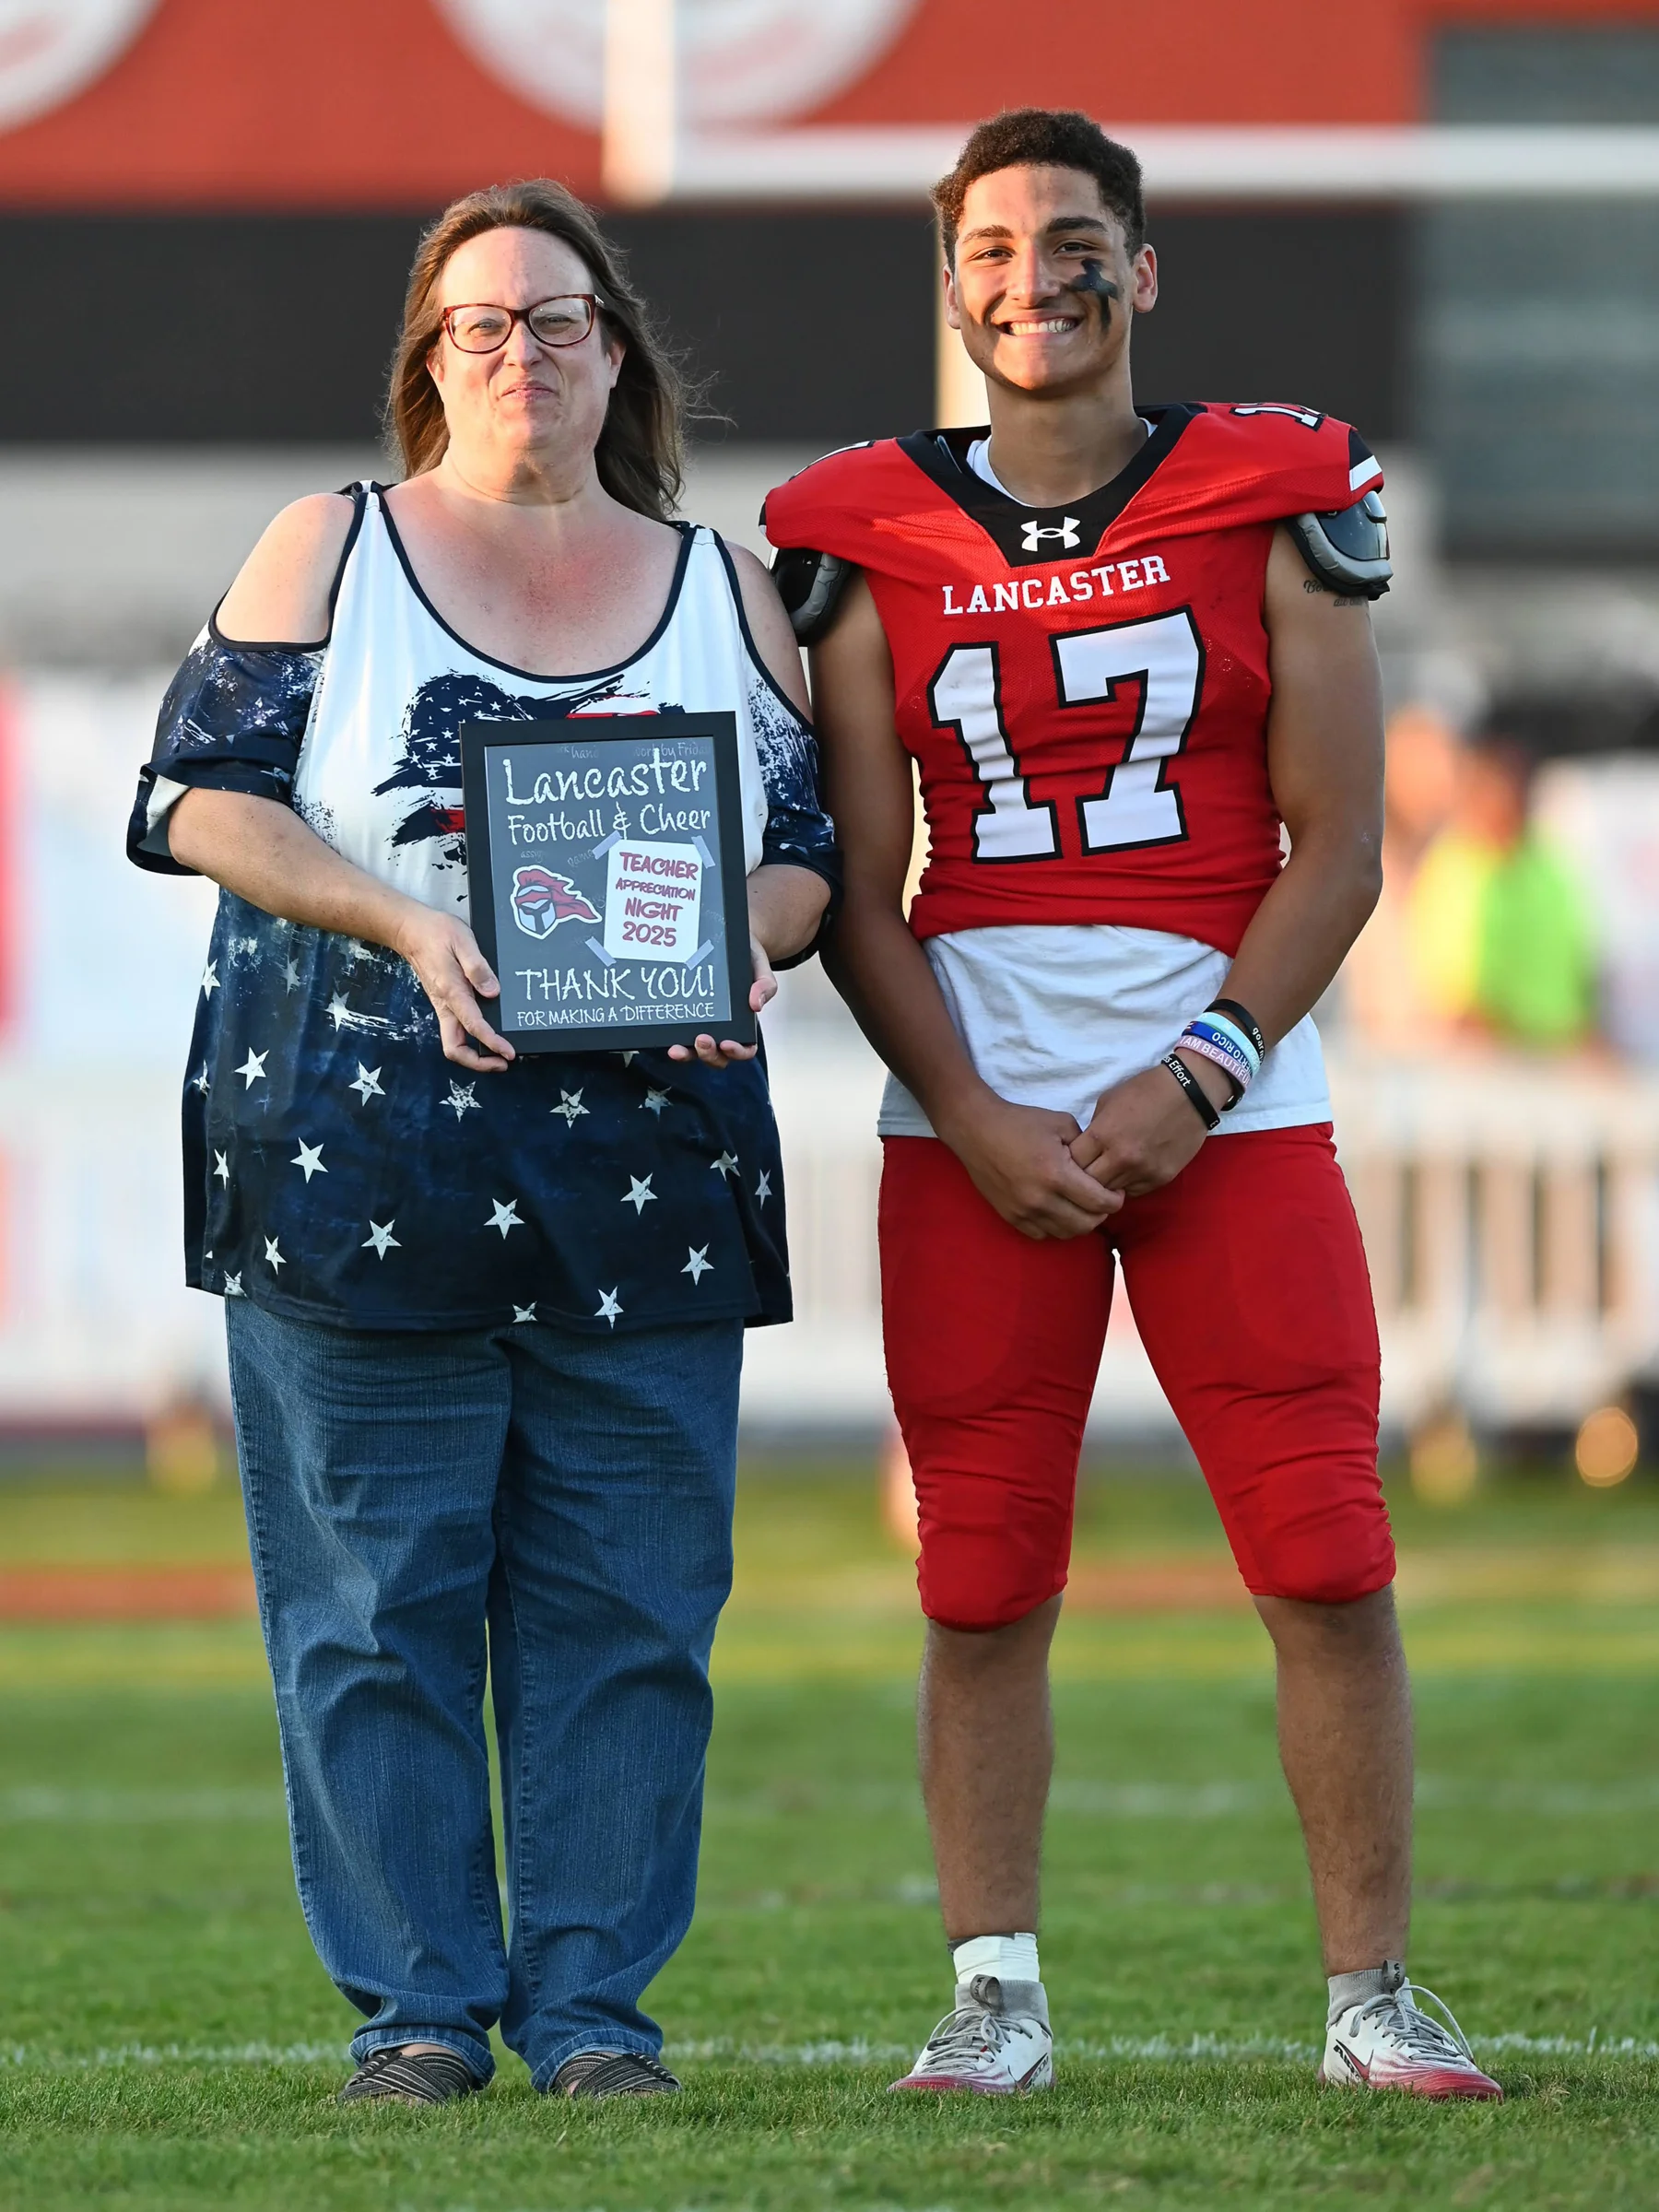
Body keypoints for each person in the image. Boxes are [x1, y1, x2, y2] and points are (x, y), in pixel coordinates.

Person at [766, 109, 1500, 2101]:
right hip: (972, 1121)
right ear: (954, 289)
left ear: (1142, 269)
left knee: (1328, 1554)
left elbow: (1339, 849)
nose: (1038, 274)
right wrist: (975, 1110)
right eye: (995, 247)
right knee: (982, 1571)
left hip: (1233, 1104)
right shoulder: (858, 524)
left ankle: (1370, 1994)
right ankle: (992, 1988)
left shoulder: (1275, 484)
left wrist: (1200, 1070)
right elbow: (857, 869)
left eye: (1076, 238)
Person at [125, 180, 837, 2104]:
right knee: (375, 1620)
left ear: (620, 351)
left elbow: (806, 862)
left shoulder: (725, 586)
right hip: (361, 1180)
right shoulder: (327, 554)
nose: (523, 351)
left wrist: (737, 951)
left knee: (629, 1629)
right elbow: (196, 798)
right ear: (427, 366)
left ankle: (597, 2018)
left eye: (558, 317)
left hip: (646, 1192)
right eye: (480, 324)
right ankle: (419, 2012)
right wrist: (404, 919)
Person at [1409, 727, 1597, 1049]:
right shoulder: (1453, 866)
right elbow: (1455, 1001)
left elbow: (1580, 977)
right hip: (1490, 1059)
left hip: (1557, 1054)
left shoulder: (1550, 865)